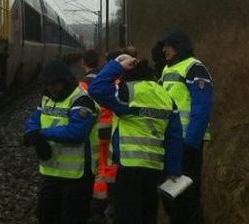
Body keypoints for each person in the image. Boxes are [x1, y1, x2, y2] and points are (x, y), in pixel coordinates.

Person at [89, 54, 184, 224]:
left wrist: (117, 66)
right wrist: (174, 170)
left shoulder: (128, 92)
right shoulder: (166, 96)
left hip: (128, 167)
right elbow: (175, 137)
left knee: (127, 216)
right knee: (148, 215)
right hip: (155, 169)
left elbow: (96, 88)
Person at [23, 60, 100, 224]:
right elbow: (34, 120)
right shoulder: (48, 99)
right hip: (51, 174)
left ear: (64, 81)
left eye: (54, 84)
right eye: (47, 84)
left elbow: (76, 132)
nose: (50, 88)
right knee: (46, 217)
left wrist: (42, 134)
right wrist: (32, 134)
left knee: (73, 218)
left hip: (77, 177)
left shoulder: (82, 101)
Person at [159, 30, 213, 224]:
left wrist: (190, 142)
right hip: (172, 142)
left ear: (179, 46)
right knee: (172, 196)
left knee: (189, 197)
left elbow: (202, 106)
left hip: (187, 143)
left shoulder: (194, 68)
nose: (164, 50)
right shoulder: (167, 70)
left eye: (168, 45)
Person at [79, 50, 117, 223]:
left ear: (83, 64)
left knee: (96, 166)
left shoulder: (83, 85)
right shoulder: (108, 80)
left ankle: (96, 203)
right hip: (110, 129)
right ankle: (110, 198)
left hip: (95, 132)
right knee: (107, 163)